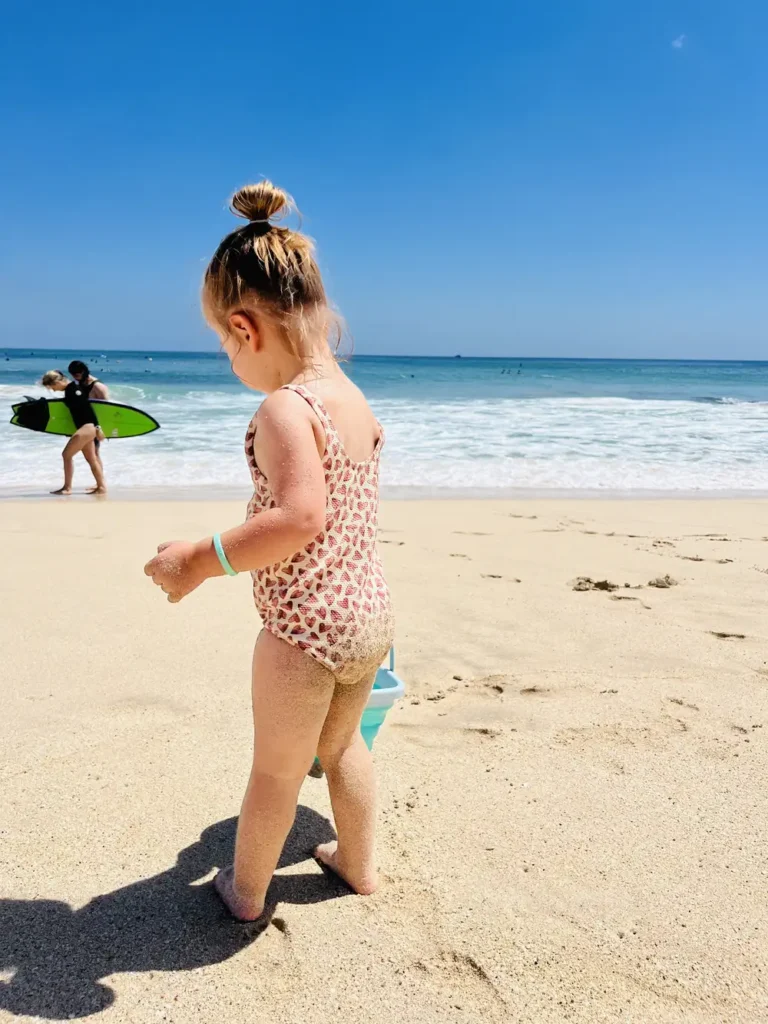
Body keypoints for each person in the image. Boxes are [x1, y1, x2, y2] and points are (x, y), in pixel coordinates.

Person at [144, 181, 394, 922]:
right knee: (344, 748)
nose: (229, 358)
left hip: (303, 635)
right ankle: (357, 864)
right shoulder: (352, 398)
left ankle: (246, 891)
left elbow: (299, 516)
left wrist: (197, 558)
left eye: (224, 345)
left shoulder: (285, 407)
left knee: (278, 771)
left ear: (245, 328)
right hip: (367, 618)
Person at [41, 363, 109, 495]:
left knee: (66, 455)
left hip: (87, 427)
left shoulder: (73, 389)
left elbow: (87, 408)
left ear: (58, 381)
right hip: (85, 427)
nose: (53, 390)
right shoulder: (71, 389)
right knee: (91, 458)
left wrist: (97, 427)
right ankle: (101, 487)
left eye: (52, 387)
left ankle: (67, 488)